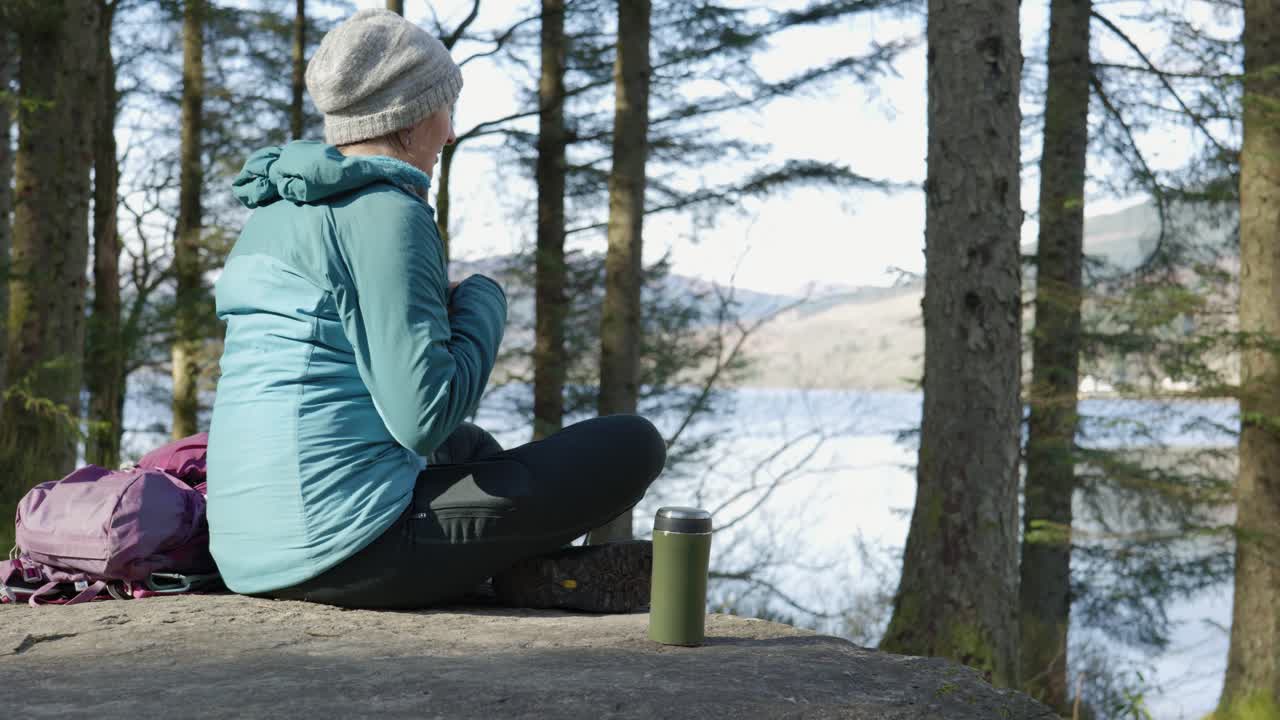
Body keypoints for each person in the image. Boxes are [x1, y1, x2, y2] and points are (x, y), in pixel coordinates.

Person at [206, 8, 666, 611]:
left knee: (472, 450)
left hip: (245, 550)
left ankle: (522, 570)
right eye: (446, 108)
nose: (450, 133)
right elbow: (424, 414)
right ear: (410, 119)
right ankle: (525, 573)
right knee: (631, 444)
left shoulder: (275, 212)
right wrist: (483, 304)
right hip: (349, 551)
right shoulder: (388, 214)